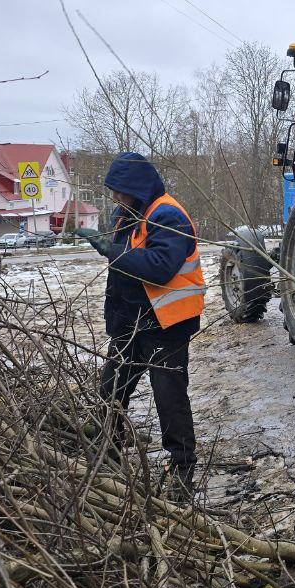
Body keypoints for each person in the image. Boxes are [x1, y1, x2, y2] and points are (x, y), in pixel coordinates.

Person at [77, 152, 205, 489]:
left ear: (135, 185)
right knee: (112, 389)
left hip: (166, 324)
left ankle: (182, 468)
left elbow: (160, 266)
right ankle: (108, 450)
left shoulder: (167, 214)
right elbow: (122, 271)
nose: (115, 196)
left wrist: (110, 249)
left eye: (119, 189)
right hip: (131, 322)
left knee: (169, 397)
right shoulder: (126, 213)